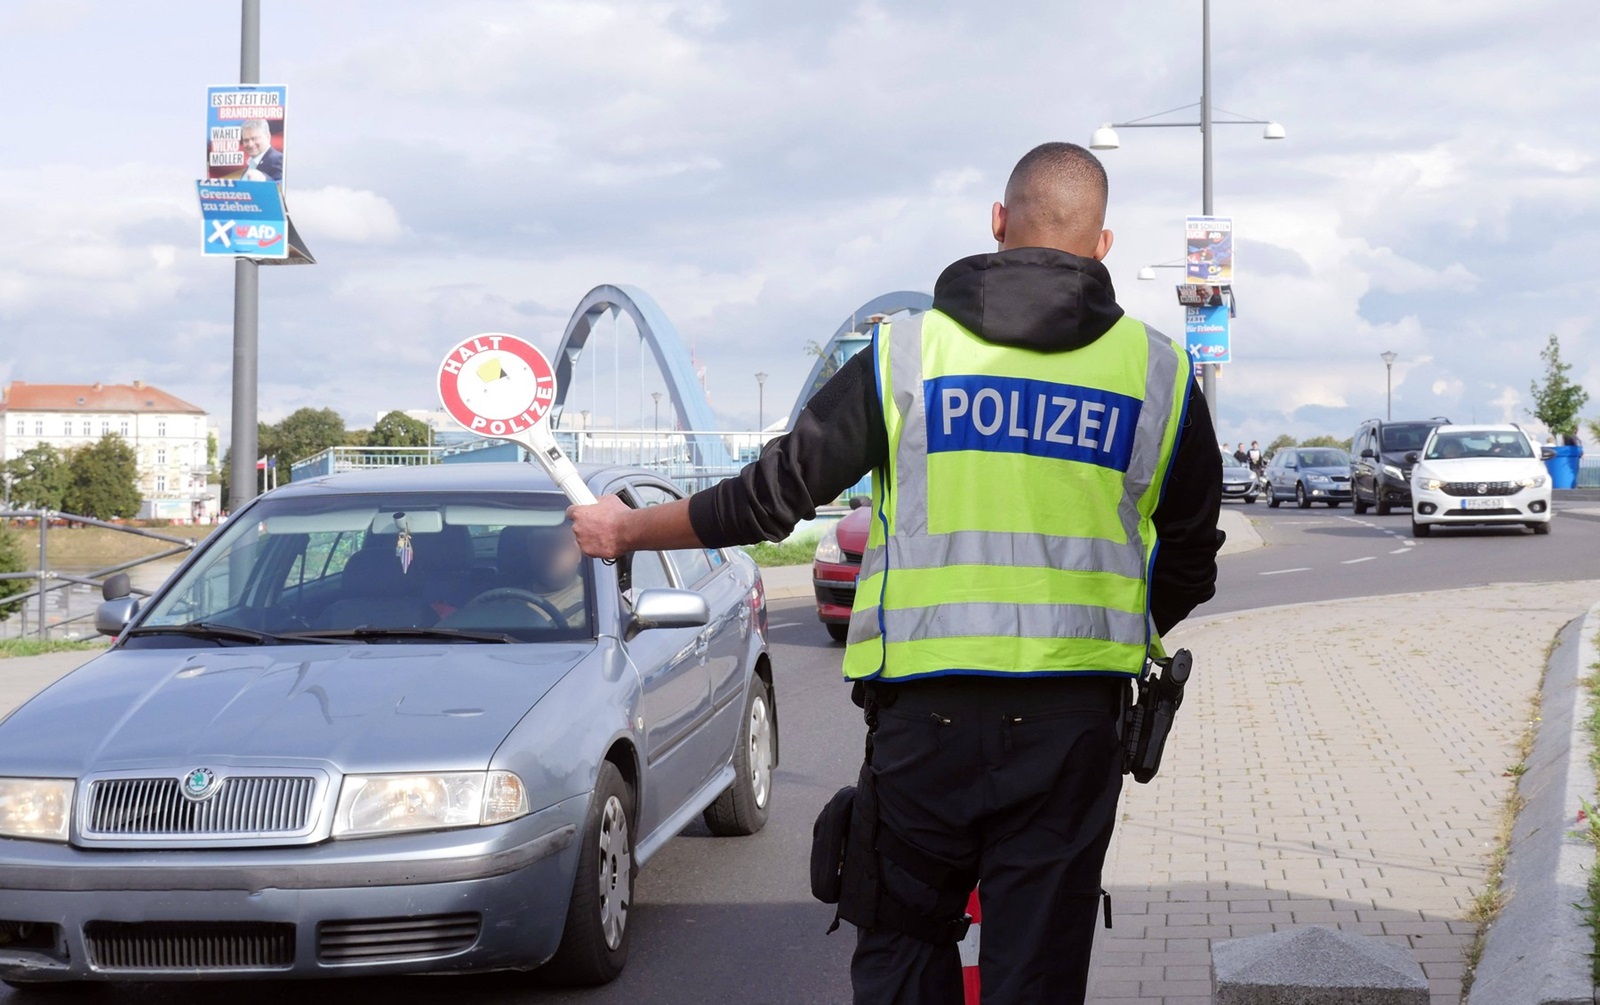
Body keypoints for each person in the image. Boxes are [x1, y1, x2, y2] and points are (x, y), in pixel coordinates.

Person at [567, 141, 1223, 1005]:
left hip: (927, 726)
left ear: (997, 225)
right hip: (1072, 726)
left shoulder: (904, 355)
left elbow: (772, 497)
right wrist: (1116, 633)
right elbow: (1189, 557)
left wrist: (627, 527)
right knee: (1040, 969)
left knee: (905, 952)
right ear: (1102, 245)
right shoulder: (1160, 375)